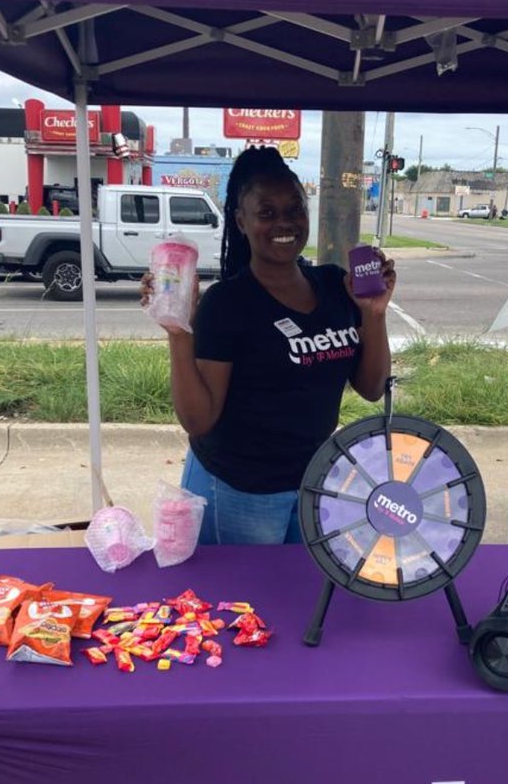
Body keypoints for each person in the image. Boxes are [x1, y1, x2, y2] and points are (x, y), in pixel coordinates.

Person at [144, 145, 396, 545]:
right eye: (267, 212)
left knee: (299, 601)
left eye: (295, 209)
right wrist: (179, 331)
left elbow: (371, 388)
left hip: (314, 482)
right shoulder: (228, 302)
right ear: (241, 221)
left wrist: (374, 313)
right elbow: (199, 420)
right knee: (245, 603)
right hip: (238, 488)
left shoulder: (334, 285)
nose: (285, 222)